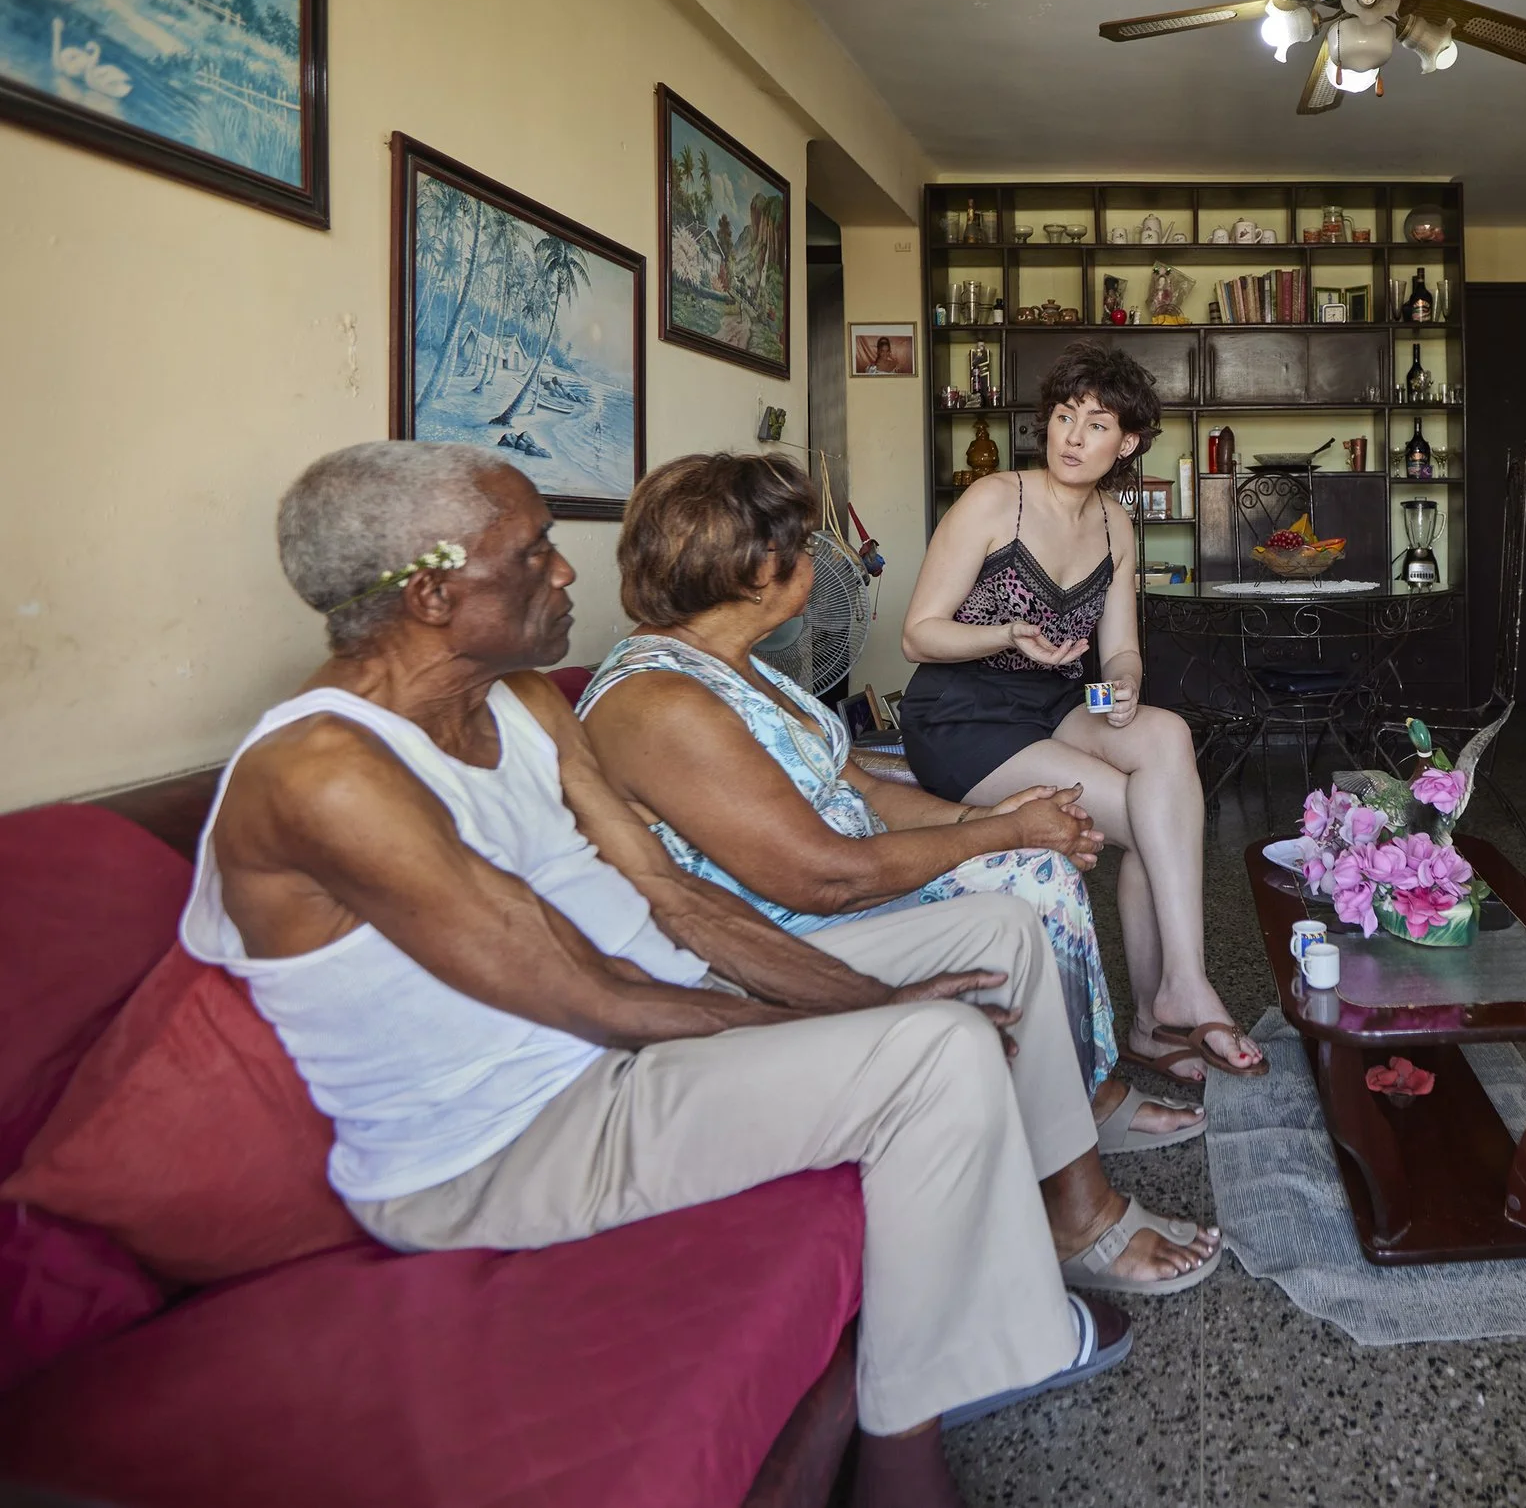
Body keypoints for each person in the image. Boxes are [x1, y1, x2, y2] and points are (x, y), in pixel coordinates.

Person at [191, 442, 1217, 1508]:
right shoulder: (324, 775)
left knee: (990, 946)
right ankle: (904, 1462)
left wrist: (868, 989)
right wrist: (872, 1007)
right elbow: (583, 990)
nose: (565, 573)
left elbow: (676, 903)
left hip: (629, 1038)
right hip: (510, 1138)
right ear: (433, 589)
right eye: (532, 552)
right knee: (939, 1047)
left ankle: (1061, 1227)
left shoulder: (520, 700)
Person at [578, 451, 1203, 1153]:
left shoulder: (743, 666)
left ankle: (1076, 1092)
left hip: (838, 882)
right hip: (784, 932)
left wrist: (990, 818)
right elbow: (824, 876)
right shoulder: (662, 703)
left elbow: (863, 787)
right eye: (805, 545)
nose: (818, 560)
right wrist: (1003, 836)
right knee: (1036, 874)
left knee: (1036, 855)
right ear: (758, 573)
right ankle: (1078, 1118)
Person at [899, 341, 1263, 1079]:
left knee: (1166, 733)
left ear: (1126, 442)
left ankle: (1172, 997)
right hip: (964, 713)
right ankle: (1169, 1006)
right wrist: (1006, 632)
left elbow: (1121, 650)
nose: (1072, 436)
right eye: (1064, 416)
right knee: (1154, 817)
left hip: (1061, 697)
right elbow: (916, 635)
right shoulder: (995, 498)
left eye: (1096, 424)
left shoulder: (1115, 525)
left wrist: (1124, 681)